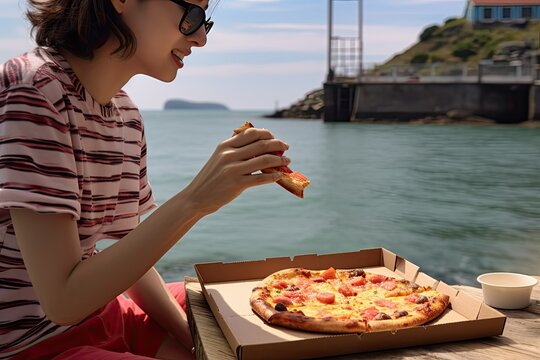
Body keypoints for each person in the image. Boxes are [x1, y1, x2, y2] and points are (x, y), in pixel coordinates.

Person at [0, 0, 291, 358]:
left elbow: (131, 257)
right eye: (193, 15)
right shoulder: (33, 91)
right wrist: (195, 201)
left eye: (205, 23)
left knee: (266, 307)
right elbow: (62, 302)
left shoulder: (125, 116)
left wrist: (196, 343)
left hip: (105, 314)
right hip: (32, 344)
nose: (200, 38)